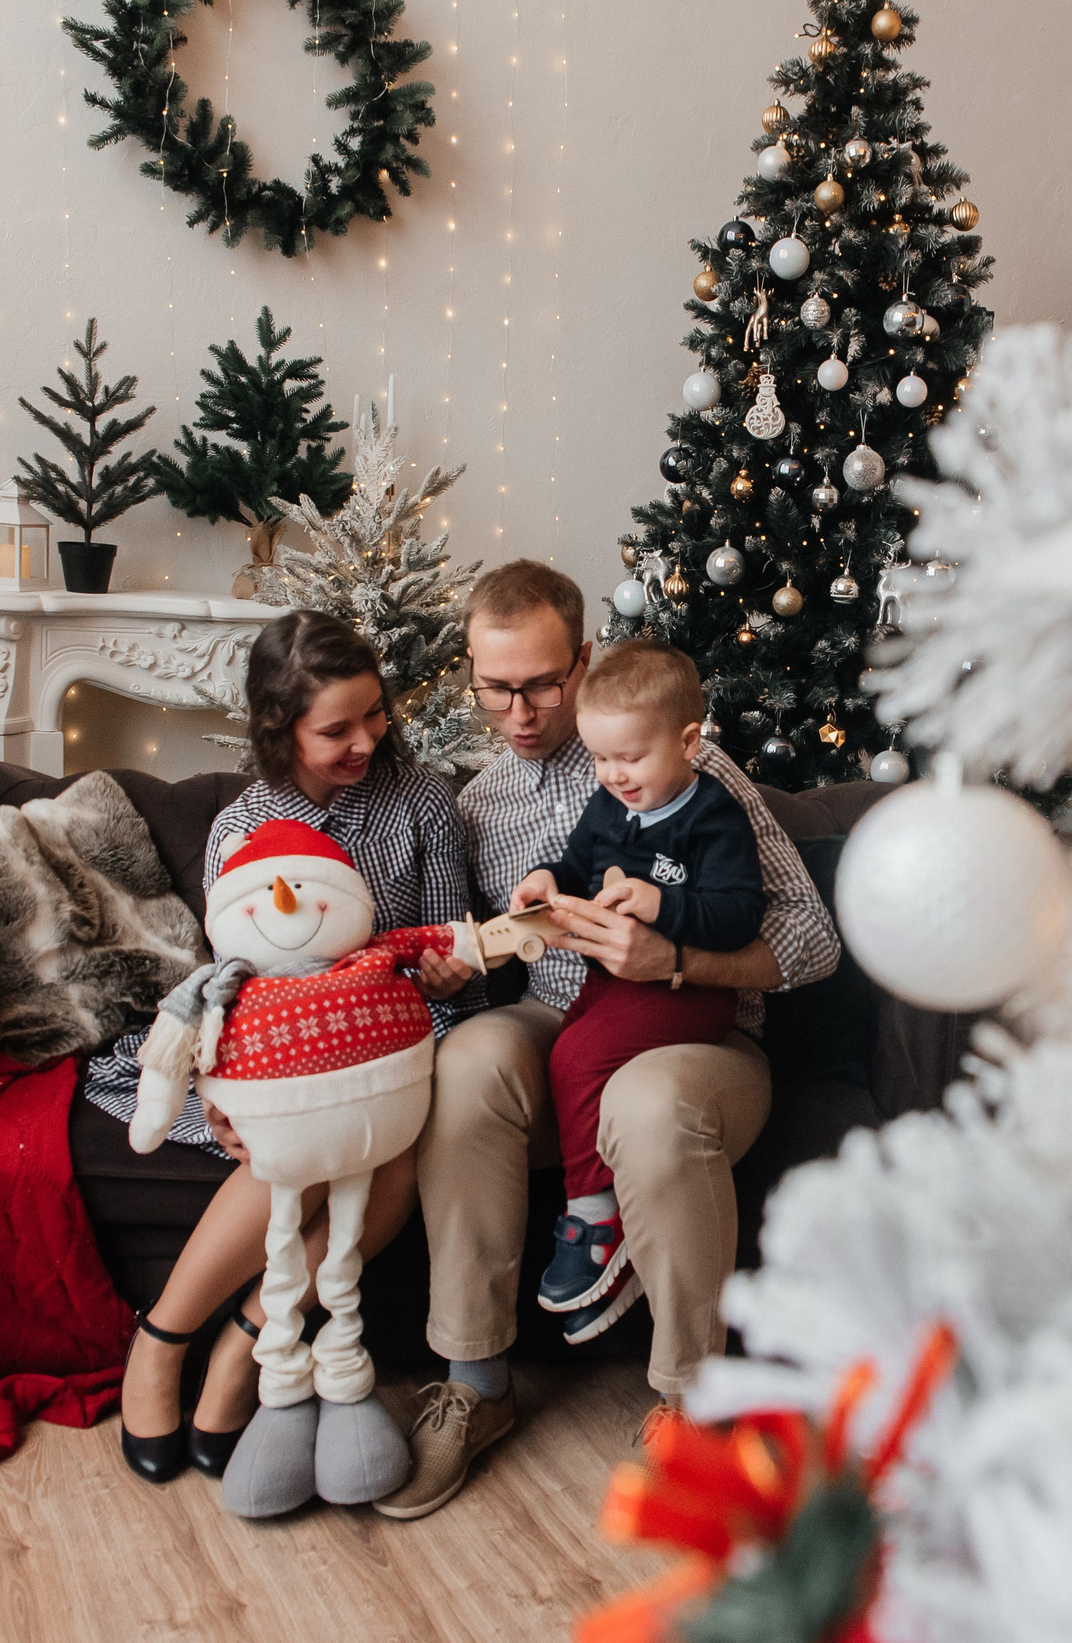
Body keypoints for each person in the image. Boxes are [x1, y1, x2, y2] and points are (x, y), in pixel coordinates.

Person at [373, 563, 839, 1521]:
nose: (521, 711)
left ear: (583, 663)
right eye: (496, 687)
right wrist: (468, 967)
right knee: (464, 1066)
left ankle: (690, 1403)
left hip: (697, 1038)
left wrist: (672, 954)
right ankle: (474, 1381)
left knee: (647, 1100)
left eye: (543, 683)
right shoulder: (478, 806)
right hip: (563, 1019)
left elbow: (812, 938)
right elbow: (507, 956)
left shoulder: (683, 766)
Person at [77, 610, 479, 1489]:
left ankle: (243, 1343)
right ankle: (160, 1341)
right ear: (278, 728)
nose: (366, 740)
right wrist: (228, 1087)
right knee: (285, 1146)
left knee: (390, 1153)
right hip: (277, 1044)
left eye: (374, 715)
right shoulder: (243, 828)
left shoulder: (424, 802)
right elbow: (237, 980)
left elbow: (455, 937)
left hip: (397, 1037)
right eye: (336, 728)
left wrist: (452, 969)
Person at [507, 640, 764, 1333]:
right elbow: (576, 861)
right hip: (613, 982)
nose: (613, 775)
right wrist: (547, 881)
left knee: (576, 1057)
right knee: (572, 1045)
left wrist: (664, 906)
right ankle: (603, 1199)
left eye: (630, 758)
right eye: (599, 758)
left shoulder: (714, 815)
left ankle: (593, 1216)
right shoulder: (609, 806)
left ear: (688, 742)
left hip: (688, 991)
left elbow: (741, 913)